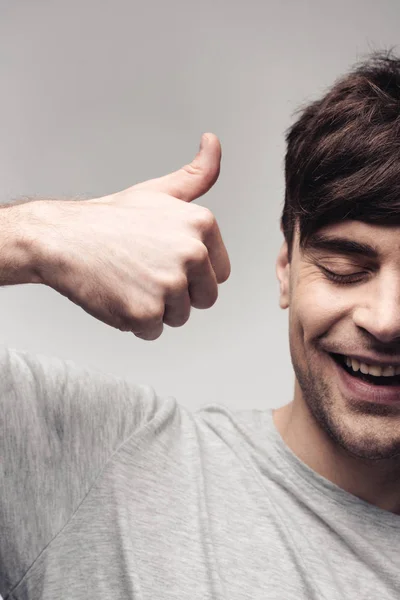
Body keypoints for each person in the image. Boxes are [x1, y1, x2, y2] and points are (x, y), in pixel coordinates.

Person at [2, 49, 400, 600]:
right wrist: (31, 239)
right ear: (286, 269)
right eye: (345, 270)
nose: (386, 320)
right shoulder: (102, 468)